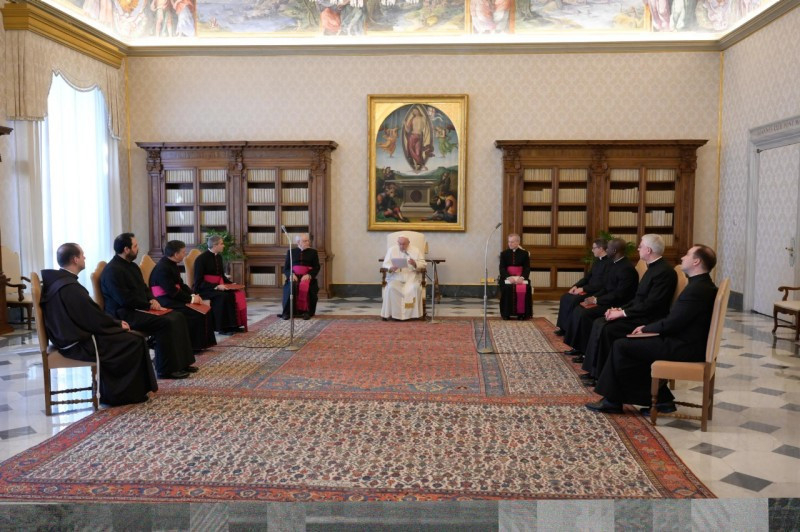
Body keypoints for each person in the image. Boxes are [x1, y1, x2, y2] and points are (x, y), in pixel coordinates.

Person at [586, 245, 718, 414]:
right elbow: (676, 320)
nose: (682, 258)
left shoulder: (697, 289)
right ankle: (662, 400)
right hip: (684, 341)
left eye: (687, 255)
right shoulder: (701, 285)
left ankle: (613, 401)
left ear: (696, 262)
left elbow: (673, 322)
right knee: (629, 345)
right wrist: (647, 329)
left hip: (684, 346)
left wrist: (646, 329)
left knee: (621, 346)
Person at [40, 243, 158, 406]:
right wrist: (117, 324)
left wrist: (114, 324)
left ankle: (124, 391)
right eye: (82, 255)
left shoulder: (61, 281)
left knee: (130, 338)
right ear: (75, 259)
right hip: (77, 343)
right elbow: (92, 318)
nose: (84, 257)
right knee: (134, 341)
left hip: (70, 336)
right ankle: (120, 395)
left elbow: (90, 315)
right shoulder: (69, 287)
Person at [578, 234, 678, 386]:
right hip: (641, 312)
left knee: (607, 328)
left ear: (648, 250)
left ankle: (602, 376)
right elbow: (638, 299)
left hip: (649, 319)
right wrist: (619, 309)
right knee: (600, 322)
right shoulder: (653, 268)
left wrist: (622, 313)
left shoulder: (664, 272)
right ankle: (595, 371)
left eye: (641, 246)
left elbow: (651, 305)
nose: (638, 249)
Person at [100, 233, 196, 380]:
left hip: (138, 307)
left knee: (178, 316)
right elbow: (124, 299)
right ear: (126, 249)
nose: (138, 248)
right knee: (166, 322)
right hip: (124, 313)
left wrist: (152, 300)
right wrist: (148, 305)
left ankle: (182, 363)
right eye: (135, 246)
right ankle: (165, 369)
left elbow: (144, 288)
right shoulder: (112, 270)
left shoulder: (132, 266)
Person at [563, 238, 638, 359]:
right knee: (579, 309)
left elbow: (619, 295)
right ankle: (579, 347)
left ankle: (585, 352)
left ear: (614, 250)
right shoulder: (614, 264)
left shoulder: (626, 268)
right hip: (608, 299)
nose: (606, 250)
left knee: (585, 314)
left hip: (617, 304)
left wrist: (597, 300)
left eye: (608, 248)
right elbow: (606, 287)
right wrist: (595, 297)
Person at [149, 240, 216, 351]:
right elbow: (172, 291)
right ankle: (193, 346)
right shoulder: (162, 268)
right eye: (183, 252)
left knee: (203, 309)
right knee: (195, 313)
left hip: (173, 296)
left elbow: (181, 284)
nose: (185, 254)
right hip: (164, 300)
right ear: (176, 254)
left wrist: (193, 294)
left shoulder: (172, 264)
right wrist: (191, 299)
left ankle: (203, 344)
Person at [193, 234, 248, 333]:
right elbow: (198, 282)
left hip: (217, 287)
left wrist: (232, 284)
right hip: (204, 289)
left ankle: (232, 325)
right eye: (222, 244)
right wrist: (216, 286)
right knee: (223, 296)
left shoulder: (218, 257)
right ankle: (222, 328)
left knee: (232, 294)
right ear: (215, 245)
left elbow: (221, 276)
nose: (224, 246)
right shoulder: (201, 259)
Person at [554, 239, 610, 335]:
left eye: (594, 248)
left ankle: (570, 330)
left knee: (574, 300)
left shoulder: (609, 263)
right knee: (565, 297)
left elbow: (602, 284)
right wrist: (576, 286)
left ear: (601, 249)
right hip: (588, 288)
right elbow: (587, 277)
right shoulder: (597, 261)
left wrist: (583, 289)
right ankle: (563, 327)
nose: (592, 250)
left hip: (596, 292)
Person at [381, 235, 426, 321]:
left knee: (414, 288)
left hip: (411, 277)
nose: (401, 246)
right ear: (397, 243)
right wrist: (391, 267)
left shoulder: (416, 250)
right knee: (391, 288)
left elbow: (423, 264)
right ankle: (394, 314)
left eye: (404, 244)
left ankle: (412, 315)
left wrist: (415, 263)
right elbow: (385, 264)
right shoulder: (392, 250)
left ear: (409, 243)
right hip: (396, 277)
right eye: (400, 244)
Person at [278, 233, 321, 321]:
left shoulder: (313, 252)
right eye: (305, 241)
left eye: (308, 240)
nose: (307, 242)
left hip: (306, 276)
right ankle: (287, 313)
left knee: (307, 288)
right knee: (291, 287)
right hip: (294, 276)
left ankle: (306, 312)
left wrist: (309, 275)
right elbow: (286, 268)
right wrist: (291, 274)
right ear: (298, 242)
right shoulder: (291, 252)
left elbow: (316, 267)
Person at [498, 233, 532, 320]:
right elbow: (502, 268)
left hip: (520, 277)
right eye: (509, 241)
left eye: (512, 242)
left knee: (523, 288)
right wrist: (508, 277)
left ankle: (521, 314)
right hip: (507, 278)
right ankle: (506, 313)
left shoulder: (524, 254)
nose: (510, 244)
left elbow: (527, 268)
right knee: (507, 288)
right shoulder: (504, 254)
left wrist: (522, 277)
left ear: (518, 242)